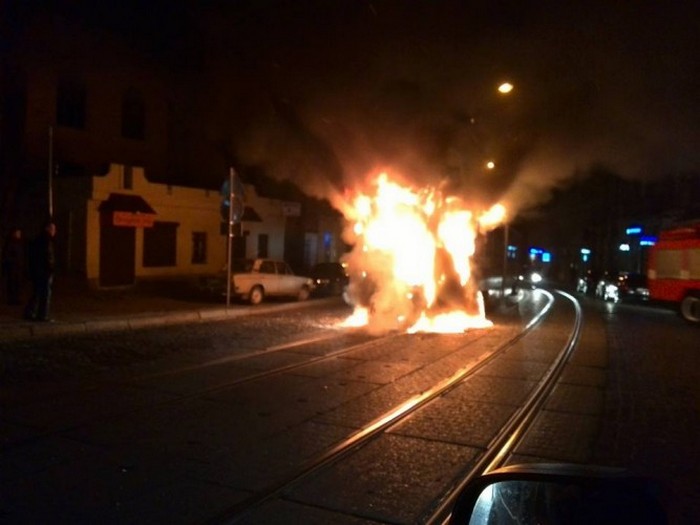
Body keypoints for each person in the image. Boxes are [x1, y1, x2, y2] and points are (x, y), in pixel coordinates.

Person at [24, 220, 56, 322]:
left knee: (37, 292)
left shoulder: (38, 239)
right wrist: (51, 269)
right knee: (45, 294)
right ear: (47, 229)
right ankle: (42, 315)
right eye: (52, 228)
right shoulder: (47, 240)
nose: (54, 231)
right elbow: (48, 257)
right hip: (44, 272)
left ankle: (29, 312)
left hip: (37, 271)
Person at [2, 228, 24, 305]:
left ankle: (16, 298)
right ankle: (11, 299)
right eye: (18, 233)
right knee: (12, 283)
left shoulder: (19, 243)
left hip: (18, 267)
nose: (19, 234)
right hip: (12, 268)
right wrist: (14, 261)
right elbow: (6, 255)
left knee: (17, 283)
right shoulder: (10, 243)